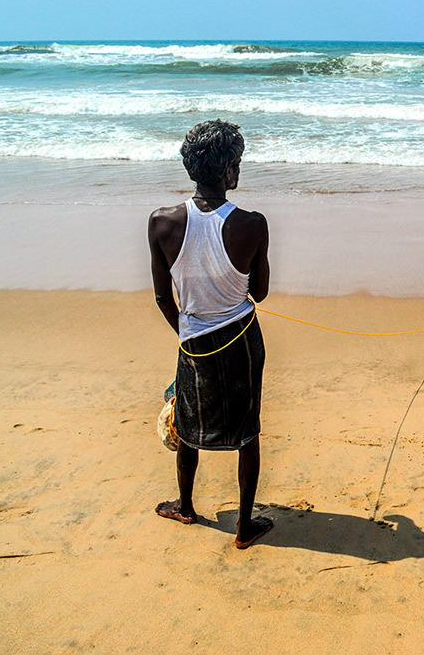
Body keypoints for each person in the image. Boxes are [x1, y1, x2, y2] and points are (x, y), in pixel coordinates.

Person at [147, 119, 273, 549]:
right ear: (228, 171)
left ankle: (185, 505)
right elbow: (260, 292)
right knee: (247, 431)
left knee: (188, 420)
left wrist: (188, 334)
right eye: (237, 162)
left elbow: (164, 298)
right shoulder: (252, 224)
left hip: (194, 342)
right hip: (241, 339)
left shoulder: (162, 221)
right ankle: (243, 527)